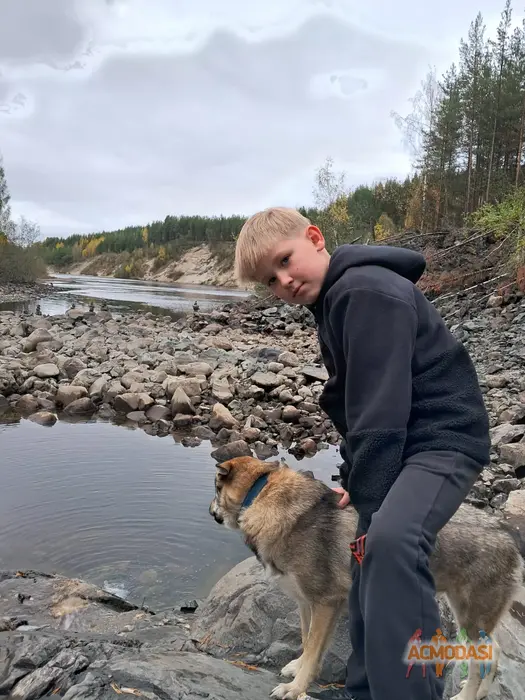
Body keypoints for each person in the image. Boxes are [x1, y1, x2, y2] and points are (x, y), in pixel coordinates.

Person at [233, 207, 490, 700]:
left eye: (286, 261)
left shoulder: (364, 291)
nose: (284, 281)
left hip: (442, 438)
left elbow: (381, 407)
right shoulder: (334, 301)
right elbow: (355, 401)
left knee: (392, 544)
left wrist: (371, 488)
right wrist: (357, 475)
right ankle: (367, 687)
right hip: (408, 441)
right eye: (270, 280)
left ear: (315, 237)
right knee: (367, 553)